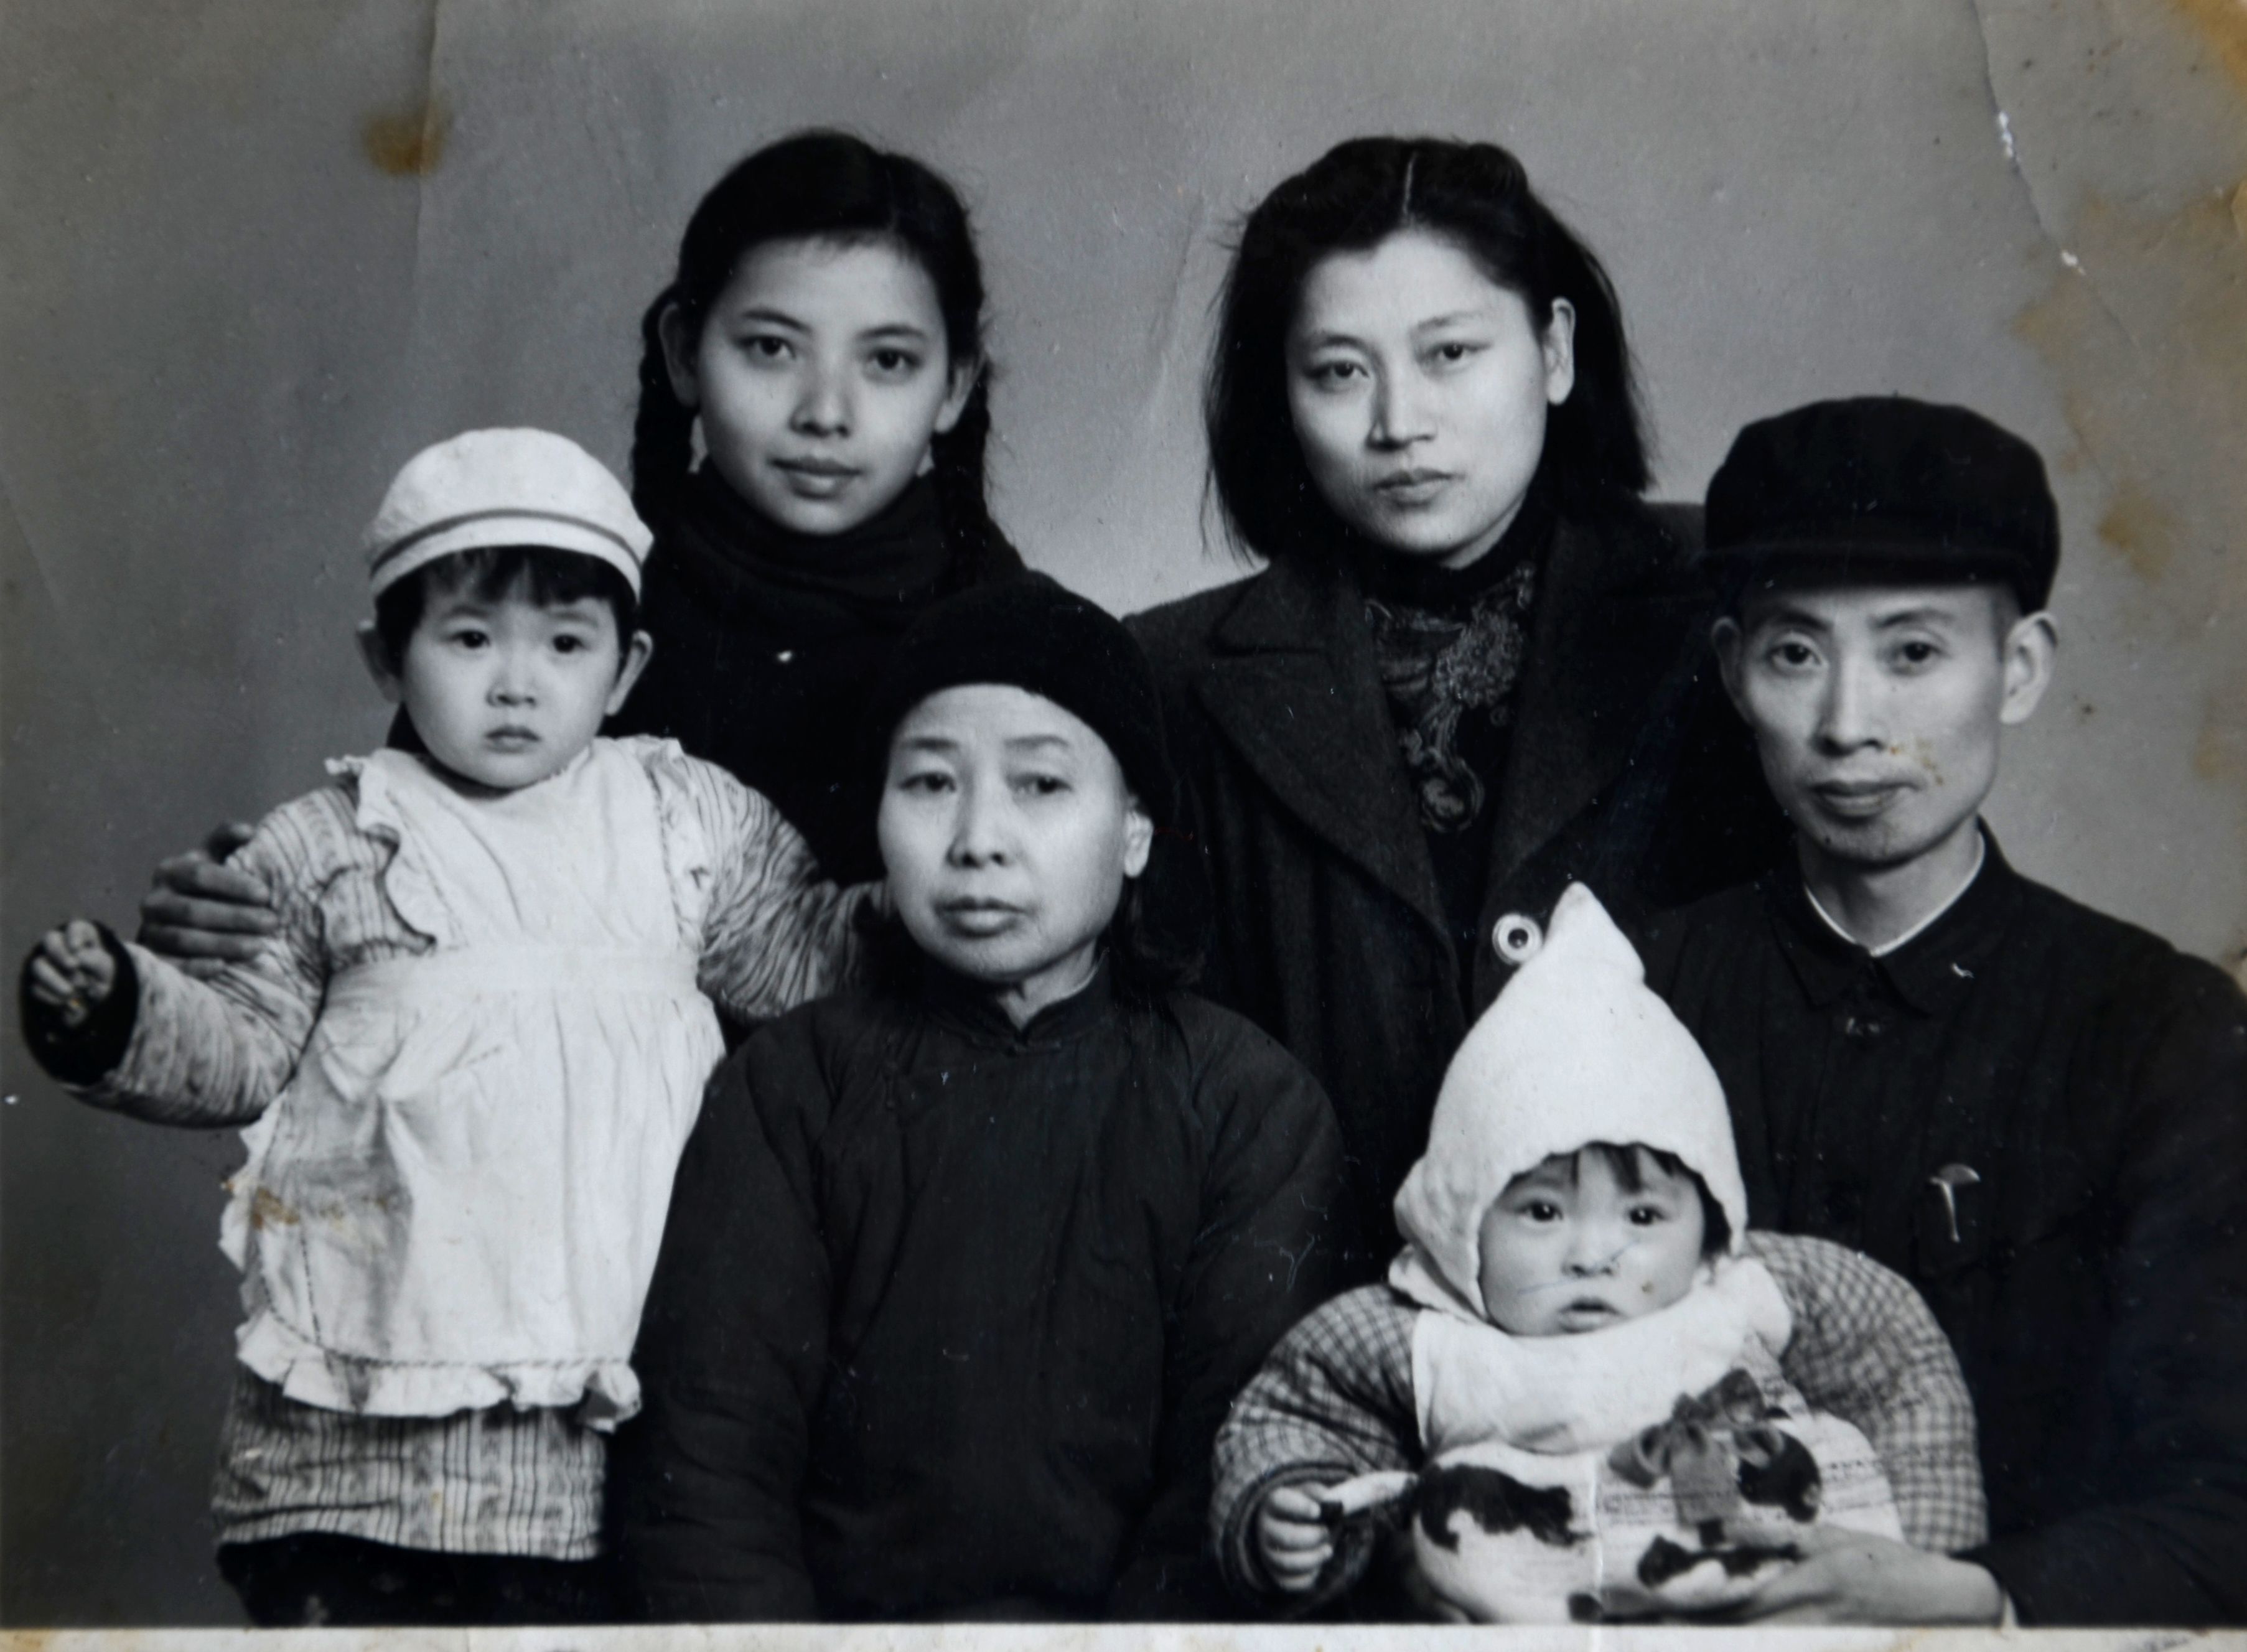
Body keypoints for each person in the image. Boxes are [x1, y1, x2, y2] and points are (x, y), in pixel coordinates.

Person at [18, 429, 872, 1626]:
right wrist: (119, 1010)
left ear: (625, 670)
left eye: (564, 646)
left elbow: (813, 957)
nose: (517, 684)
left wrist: (951, 902)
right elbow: (242, 1044)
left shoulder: (689, 825)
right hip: (354, 1452)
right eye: (470, 639)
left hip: (602, 1431)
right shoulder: (333, 839)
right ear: (388, 657)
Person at [612, 575, 1351, 1621]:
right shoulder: (789, 1088)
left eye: (1041, 787)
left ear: (1135, 833)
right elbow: (707, 1471)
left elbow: (1229, 1486)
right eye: (929, 784)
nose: (977, 840)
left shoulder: (1247, 1107)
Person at [136, 129, 1021, 982]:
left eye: (889, 361)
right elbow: (416, 893)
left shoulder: (1029, 642)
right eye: (770, 348)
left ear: (952, 385)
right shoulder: (566, 611)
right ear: (683, 352)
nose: (826, 411)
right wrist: (256, 916)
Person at [1130, 136, 1787, 1269]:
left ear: (1554, 349)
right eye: (1338, 371)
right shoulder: (1174, 676)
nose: (1398, 423)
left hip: (1679, 1303)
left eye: (1449, 354)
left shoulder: (1722, 604)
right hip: (1324, 1326)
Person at [1642, 395, 2247, 1625]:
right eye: (1793, 653)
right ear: (1728, 671)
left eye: (1912, 653)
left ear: (2016, 671)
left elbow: (2225, 1494)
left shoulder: (2158, 1027)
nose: (1847, 724)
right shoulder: (1638, 998)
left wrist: (1970, 1594)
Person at [1212, 884, 1983, 1623]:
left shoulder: (1748, 1289)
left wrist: (1930, 1546)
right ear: (1460, 1224)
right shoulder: (1421, 1337)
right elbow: (1290, 1412)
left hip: (1765, 1605)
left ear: (1709, 1223)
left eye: (1642, 1214)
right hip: (1519, 1611)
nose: (1591, 1255)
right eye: (1542, 1211)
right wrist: (1282, 1505)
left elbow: (1896, 1363)